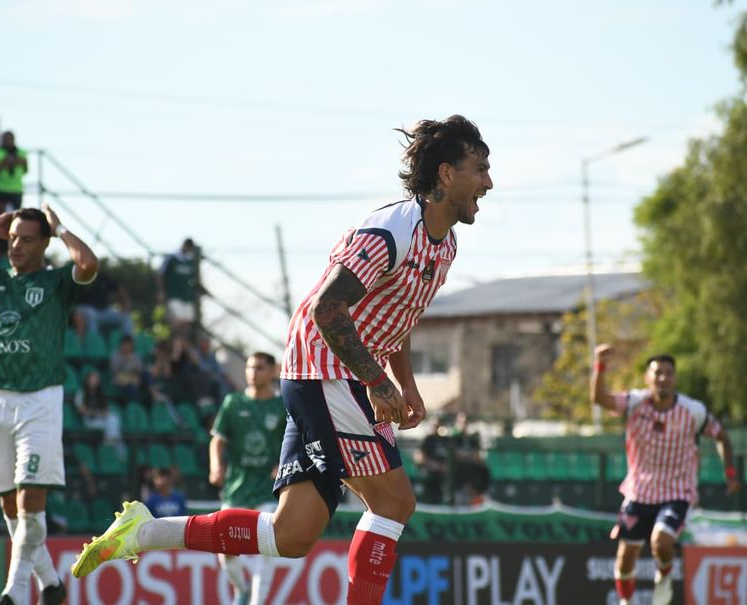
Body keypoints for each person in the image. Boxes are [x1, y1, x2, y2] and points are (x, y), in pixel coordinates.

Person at [70, 115, 493, 604]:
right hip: (328, 371)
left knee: (290, 535)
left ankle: (143, 532)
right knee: (394, 502)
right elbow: (326, 308)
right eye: (480, 169)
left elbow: (395, 316)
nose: (488, 183)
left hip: (336, 376)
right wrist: (379, 382)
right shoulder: (393, 230)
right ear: (446, 174)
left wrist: (408, 385)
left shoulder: (445, 246)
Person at [0, 205, 98, 605]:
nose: (16, 245)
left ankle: (15, 593)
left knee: (30, 501)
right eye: (13, 237)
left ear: (45, 244)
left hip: (39, 400)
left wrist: (61, 227)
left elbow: (88, 263)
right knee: (9, 504)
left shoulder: (56, 283)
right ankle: (50, 584)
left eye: (28, 239)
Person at [591, 344, 741, 605]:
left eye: (668, 373)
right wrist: (600, 366)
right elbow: (600, 399)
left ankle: (664, 575)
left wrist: (730, 472)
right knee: (626, 556)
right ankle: (626, 602)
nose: (663, 378)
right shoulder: (635, 404)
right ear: (647, 378)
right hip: (639, 492)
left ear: (675, 378)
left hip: (677, 492)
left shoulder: (692, 411)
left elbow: (721, 436)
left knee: (660, 542)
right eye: (657, 373)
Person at [209, 352, 286, 605]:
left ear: (272, 371)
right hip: (237, 487)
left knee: (267, 546)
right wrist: (216, 466)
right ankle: (240, 589)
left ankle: (257, 602)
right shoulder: (233, 402)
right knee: (224, 548)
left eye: (259, 368)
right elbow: (217, 441)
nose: (253, 372)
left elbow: (295, 442)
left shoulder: (281, 405)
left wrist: (283, 464)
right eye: (250, 367)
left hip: (268, 488)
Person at [74, 369, 124, 457]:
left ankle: (109, 443)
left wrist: (103, 413)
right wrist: (96, 413)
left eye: (96, 379)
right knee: (114, 426)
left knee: (113, 419)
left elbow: (106, 410)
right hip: (89, 421)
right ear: (87, 380)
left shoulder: (100, 394)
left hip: (101, 419)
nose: (94, 382)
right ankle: (117, 451)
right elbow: (81, 410)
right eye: (92, 379)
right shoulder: (81, 393)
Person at [157, 238, 201, 336]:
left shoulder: (190, 261)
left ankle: (181, 344)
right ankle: (176, 343)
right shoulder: (171, 258)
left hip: (187, 297)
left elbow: (194, 280)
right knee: (177, 323)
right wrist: (161, 291)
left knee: (187, 324)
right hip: (173, 295)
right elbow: (160, 274)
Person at [73, 271, 134, 338]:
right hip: (84, 309)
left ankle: (128, 341)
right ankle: (93, 340)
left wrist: (126, 306)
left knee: (125, 316)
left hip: (104, 311)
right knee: (91, 314)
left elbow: (119, 289)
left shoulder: (102, 277)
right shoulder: (78, 276)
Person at [0, 131, 27, 211]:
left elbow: (25, 169)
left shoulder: (22, 152)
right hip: (2, 188)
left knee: (17, 213)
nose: (8, 141)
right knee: (1, 213)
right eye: (5, 139)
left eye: (10, 139)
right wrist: (8, 161)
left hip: (17, 188)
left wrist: (12, 161)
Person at [109, 334, 145, 402]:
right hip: (119, 380)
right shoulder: (115, 355)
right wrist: (124, 359)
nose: (127, 347)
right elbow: (114, 370)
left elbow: (140, 369)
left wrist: (132, 363)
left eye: (129, 345)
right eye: (126, 344)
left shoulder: (135, 356)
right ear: (122, 344)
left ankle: (154, 394)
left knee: (145, 375)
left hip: (133, 378)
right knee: (132, 386)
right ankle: (133, 404)